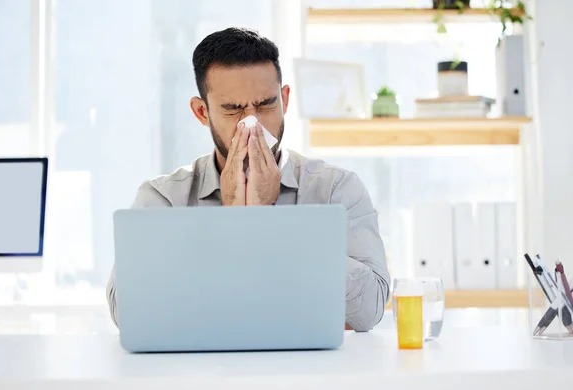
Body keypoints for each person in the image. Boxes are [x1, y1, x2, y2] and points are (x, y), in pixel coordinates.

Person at [107, 27, 390, 332]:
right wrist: (230, 227)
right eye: (233, 110)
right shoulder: (164, 198)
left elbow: (370, 311)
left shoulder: (335, 188)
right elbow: (128, 312)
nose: (252, 124)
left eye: (266, 104)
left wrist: (269, 226)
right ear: (202, 112)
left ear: (284, 99)